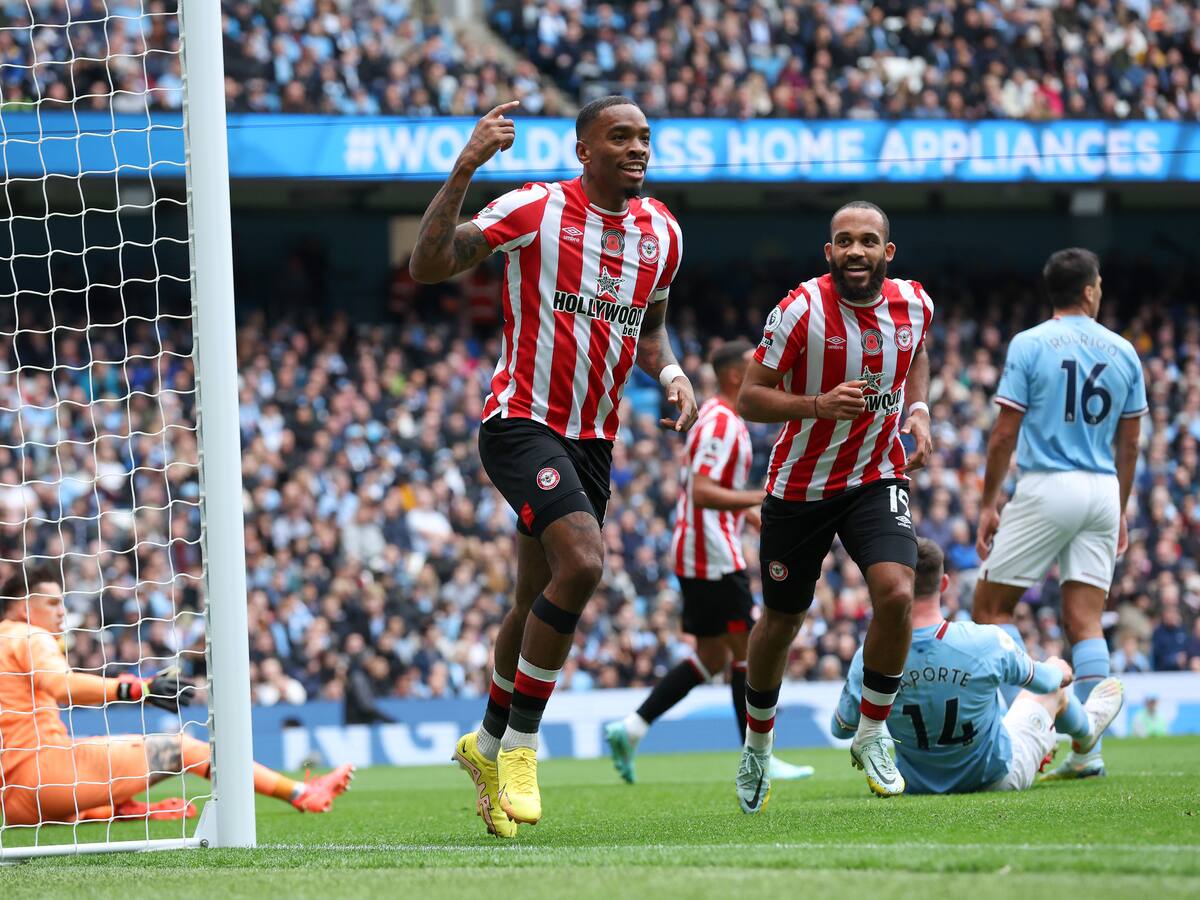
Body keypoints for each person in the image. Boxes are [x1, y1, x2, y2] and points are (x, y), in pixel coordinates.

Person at [409, 96, 695, 837]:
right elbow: (430, 262)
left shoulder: (662, 232)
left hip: (594, 440)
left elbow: (652, 331)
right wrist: (468, 164)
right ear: (583, 150)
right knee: (584, 563)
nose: (638, 148)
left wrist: (671, 376)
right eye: (621, 137)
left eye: (645, 137)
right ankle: (526, 747)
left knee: (530, 598)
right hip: (521, 422)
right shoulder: (535, 209)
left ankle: (487, 741)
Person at [733, 201, 935, 810]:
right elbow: (749, 398)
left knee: (899, 592)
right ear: (829, 252)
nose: (855, 251)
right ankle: (758, 746)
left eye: (868, 241)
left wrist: (918, 411)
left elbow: (918, 350)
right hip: (800, 486)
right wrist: (818, 405)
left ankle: (873, 731)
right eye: (844, 241)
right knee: (782, 620)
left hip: (876, 475)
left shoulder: (915, 303)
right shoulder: (800, 310)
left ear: (886, 253)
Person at [602, 340, 813, 785]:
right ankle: (758, 755)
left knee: (712, 656)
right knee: (747, 652)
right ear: (737, 376)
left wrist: (757, 518)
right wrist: (765, 496)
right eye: (758, 367)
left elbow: (714, 494)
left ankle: (631, 728)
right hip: (711, 556)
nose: (768, 373)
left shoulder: (725, 419)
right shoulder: (720, 422)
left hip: (707, 551)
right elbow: (703, 491)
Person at [972, 248, 1147, 781]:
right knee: (1085, 621)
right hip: (1100, 487)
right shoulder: (1124, 351)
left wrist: (987, 502)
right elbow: (1132, 443)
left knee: (989, 609)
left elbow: (1005, 432)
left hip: (1048, 483)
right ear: (1091, 289)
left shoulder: (1029, 344)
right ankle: (1087, 750)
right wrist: (1120, 505)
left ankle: (1049, 714)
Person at [0, 567, 354, 826]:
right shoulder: (29, 635)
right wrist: (135, 687)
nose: (61, 610)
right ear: (23, 607)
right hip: (44, 775)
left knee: (91, 749)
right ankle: (302, 793)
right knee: (183, 748)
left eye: (61, 602)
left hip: (14, 800)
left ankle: (125, 809)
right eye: (51, 602)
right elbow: (59, 685)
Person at [831, 540, 1125, 794]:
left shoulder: (869, 655)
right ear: (944, 584)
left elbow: (841, 729)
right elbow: (1047, 684)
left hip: (915, 785)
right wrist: (1059, 669)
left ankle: (1079, 741)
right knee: (1052, 686)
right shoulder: (984, 640)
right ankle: (1087, 734)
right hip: (996, 777)